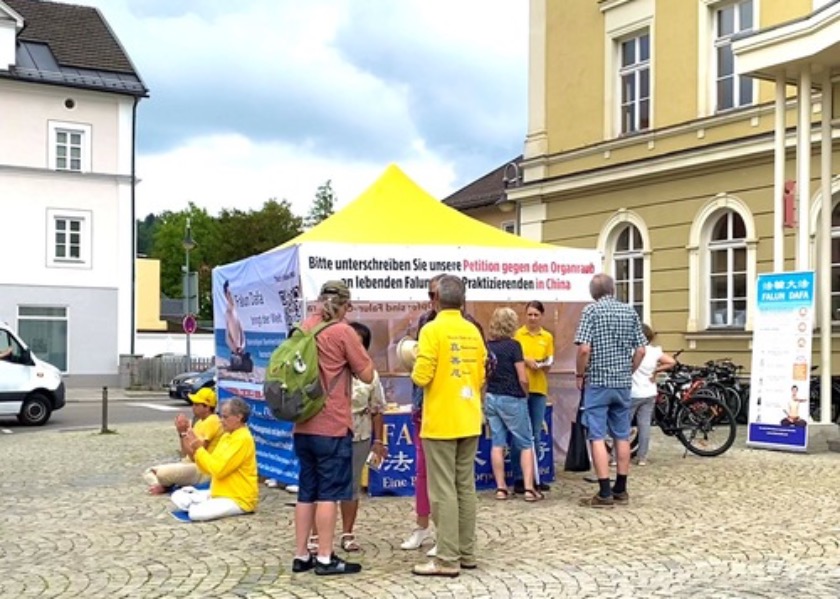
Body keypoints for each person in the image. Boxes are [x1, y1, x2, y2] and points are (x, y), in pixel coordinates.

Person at [291, 280, 374, 577]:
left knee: (306, 491)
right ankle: (325, 557)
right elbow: (367, 374)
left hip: (302, 424)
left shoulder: (303, 328)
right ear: (344, 305)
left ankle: (302, 555)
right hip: (332, 424)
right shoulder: (342, 332)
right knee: (328, 493)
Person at [401, 274, 485, 556]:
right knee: (465, 487)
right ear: (462, 300)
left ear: (436, 299)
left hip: (440, 419)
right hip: (469, 415)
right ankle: (467, 551)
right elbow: (483, 373)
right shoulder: (473, 330)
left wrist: (412, 362)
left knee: (441, 490)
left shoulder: (431, 330)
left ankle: (447, 556)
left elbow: (422, 376)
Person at [574, 273, 646, 508]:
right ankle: (621, 489)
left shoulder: (591, 311)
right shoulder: (630, 311)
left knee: (596, 435)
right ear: (613, 290)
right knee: (622, 434)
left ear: (593, 292)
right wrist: (629, 371)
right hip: (622, 382)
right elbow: (641, 351)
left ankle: (604, 492)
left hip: (598, 381)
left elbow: (584, 349)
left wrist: (580, 374)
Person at [337, 321, 388, 552]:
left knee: (351, 485)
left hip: (360, 433)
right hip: (331, 432)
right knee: (325, 483)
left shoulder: (369, 374)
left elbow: (377, 409)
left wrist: (378, 441)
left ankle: (348, 533)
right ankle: (317, 536)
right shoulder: (330, 369)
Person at [484, 307, 541, 502]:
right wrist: (525, 393)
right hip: (512, 397)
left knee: (497, 443)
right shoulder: (514, 346)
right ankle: (528, 488)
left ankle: (501, 488)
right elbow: (522, 377)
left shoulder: (487, 346)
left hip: (492, 396)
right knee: (525, 442)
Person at [172, 397, 258, 521]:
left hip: (238, 499)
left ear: (239, 417)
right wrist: (196, 450)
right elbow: (208, 467)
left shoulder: (243, 439)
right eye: (221, 416)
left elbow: (218, 470)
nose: (221, 421)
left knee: (196, 514)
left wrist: (199, 449)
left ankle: (198, 504)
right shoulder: (226, 436)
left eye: (225, 417)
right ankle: (200, 502)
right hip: (218, 493)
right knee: (178, 495)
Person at [143, 387, 223, 495]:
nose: (192, 407)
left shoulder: (213, 421)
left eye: (196, 404)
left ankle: (167, 485)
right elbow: (185, 453)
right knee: (149, 472)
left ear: (207, 407)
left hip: (202, 469)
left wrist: (184, 432)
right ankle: (165, 485)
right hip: (189, 463)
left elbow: (196, 456)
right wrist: (181, 434)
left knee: (162, 474)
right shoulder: (199, 422)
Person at [512, 300, 554, 494]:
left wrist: (544, 364)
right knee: (519, 434)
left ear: (541, 316)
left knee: (536, 434)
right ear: (525, 315)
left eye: (536, 315)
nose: (532, 318)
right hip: (520, 389)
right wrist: (525, 360)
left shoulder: (547, 337)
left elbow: (550, 362)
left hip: (538, 388)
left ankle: (535, 476)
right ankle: (519, 478)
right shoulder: (517, 335)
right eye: (529, 314)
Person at [630, 324, 675, 466]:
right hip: (649, 392)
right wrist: (656, 370)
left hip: (632, 392)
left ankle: (615, 457)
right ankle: (642, 457)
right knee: (645, 425)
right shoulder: (654, 352)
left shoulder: (632, 350)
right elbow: (671, 362)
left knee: (623, 426)